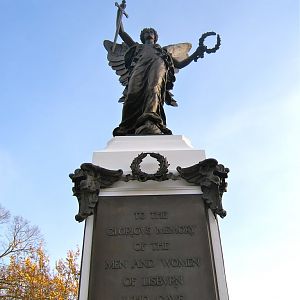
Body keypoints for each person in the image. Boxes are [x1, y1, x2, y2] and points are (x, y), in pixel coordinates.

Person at [111, 21, 204, 136]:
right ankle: (126, 125)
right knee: (132, 94)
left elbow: (179, 64)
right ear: (142, 37)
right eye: (146, 32)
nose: (149, 33)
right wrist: (120, 12)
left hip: (158, 65)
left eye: (151, 32)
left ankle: (150, 120)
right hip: (140, 67)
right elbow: (121, 32)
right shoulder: (137, 47)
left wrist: (195, 54)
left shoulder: (162, 51)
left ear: (155, 36)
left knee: (154, 89)